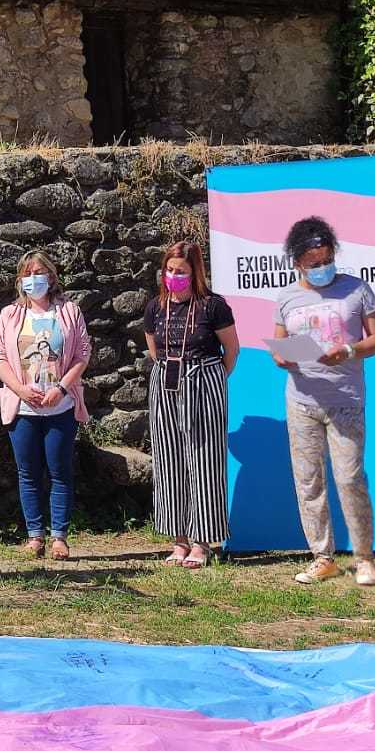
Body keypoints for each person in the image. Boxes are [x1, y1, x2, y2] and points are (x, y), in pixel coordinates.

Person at [273, 216, 375, 587]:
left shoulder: (357, 290)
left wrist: (350, 349)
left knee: (350, 478)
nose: (322, 268)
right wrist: (283, 356)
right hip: (302, 400)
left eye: (326, 260)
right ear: (297, 264)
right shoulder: (287, 297)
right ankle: (323, 557)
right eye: (313, 264)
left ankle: (364, 558)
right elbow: (278, 344)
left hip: (346, 401)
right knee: (309, 481)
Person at [142, 241, 240, 570]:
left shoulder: (214, 306)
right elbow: (153, 349)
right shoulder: (156, 306)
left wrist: (211, 379)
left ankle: (203, 541)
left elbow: (231, 350)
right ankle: (179, 539)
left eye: (181, 271)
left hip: (203, 378)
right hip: (166, 381)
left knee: (205, 459)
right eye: (169, 270)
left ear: (195, 272)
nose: (174, 276)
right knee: (170, 459)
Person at [0, 251, 91, 560]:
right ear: (21, 279)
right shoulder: (9, 314)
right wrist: (20, 389)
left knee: (60, 471)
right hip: (23, 409)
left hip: (60, 406)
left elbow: (83, 353)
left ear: (52, 276)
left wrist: (62, 388)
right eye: (29, 272)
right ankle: (35, 535)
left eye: (40, 272)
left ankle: (59, 536)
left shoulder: (70, 311)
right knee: (28, 473)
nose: (35, 278)